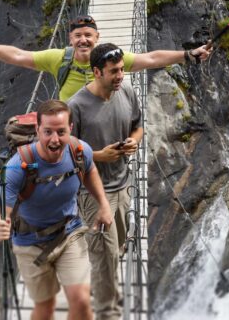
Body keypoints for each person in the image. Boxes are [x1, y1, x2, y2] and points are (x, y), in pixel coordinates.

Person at [0, 99, 113, 320]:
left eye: (61, 131)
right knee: (45, 308)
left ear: (70, 129)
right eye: (47, 132)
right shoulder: (18, 166)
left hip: (69, 233)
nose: (55, 140)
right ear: (37, 130)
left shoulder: (79, 151)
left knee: (82, 301)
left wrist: (103, 204)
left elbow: (91, 170)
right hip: (30, 243)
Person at [0, 14, 212, 101]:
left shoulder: (111, 58)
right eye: (78, 35)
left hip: (104, 129)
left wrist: (188, 55)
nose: (83, 40)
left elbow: (152, 58)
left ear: (97, 37)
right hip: (71, 133)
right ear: (70, 39)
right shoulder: (58, 58)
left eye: (88, 35)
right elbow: (17, 55)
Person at [67, 43, 142, 320]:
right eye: (113, 72)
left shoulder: (128, 92)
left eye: (121, 69)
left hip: (123, 185)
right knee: (105, 258)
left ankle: (105, 290)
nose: (120, 76)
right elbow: (64, 150)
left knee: (117, 248)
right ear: (96, 72)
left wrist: (134, 141)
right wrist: (98, 155)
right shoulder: (76, 106)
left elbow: (138, 125)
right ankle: (107, 313)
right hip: (93, 193)